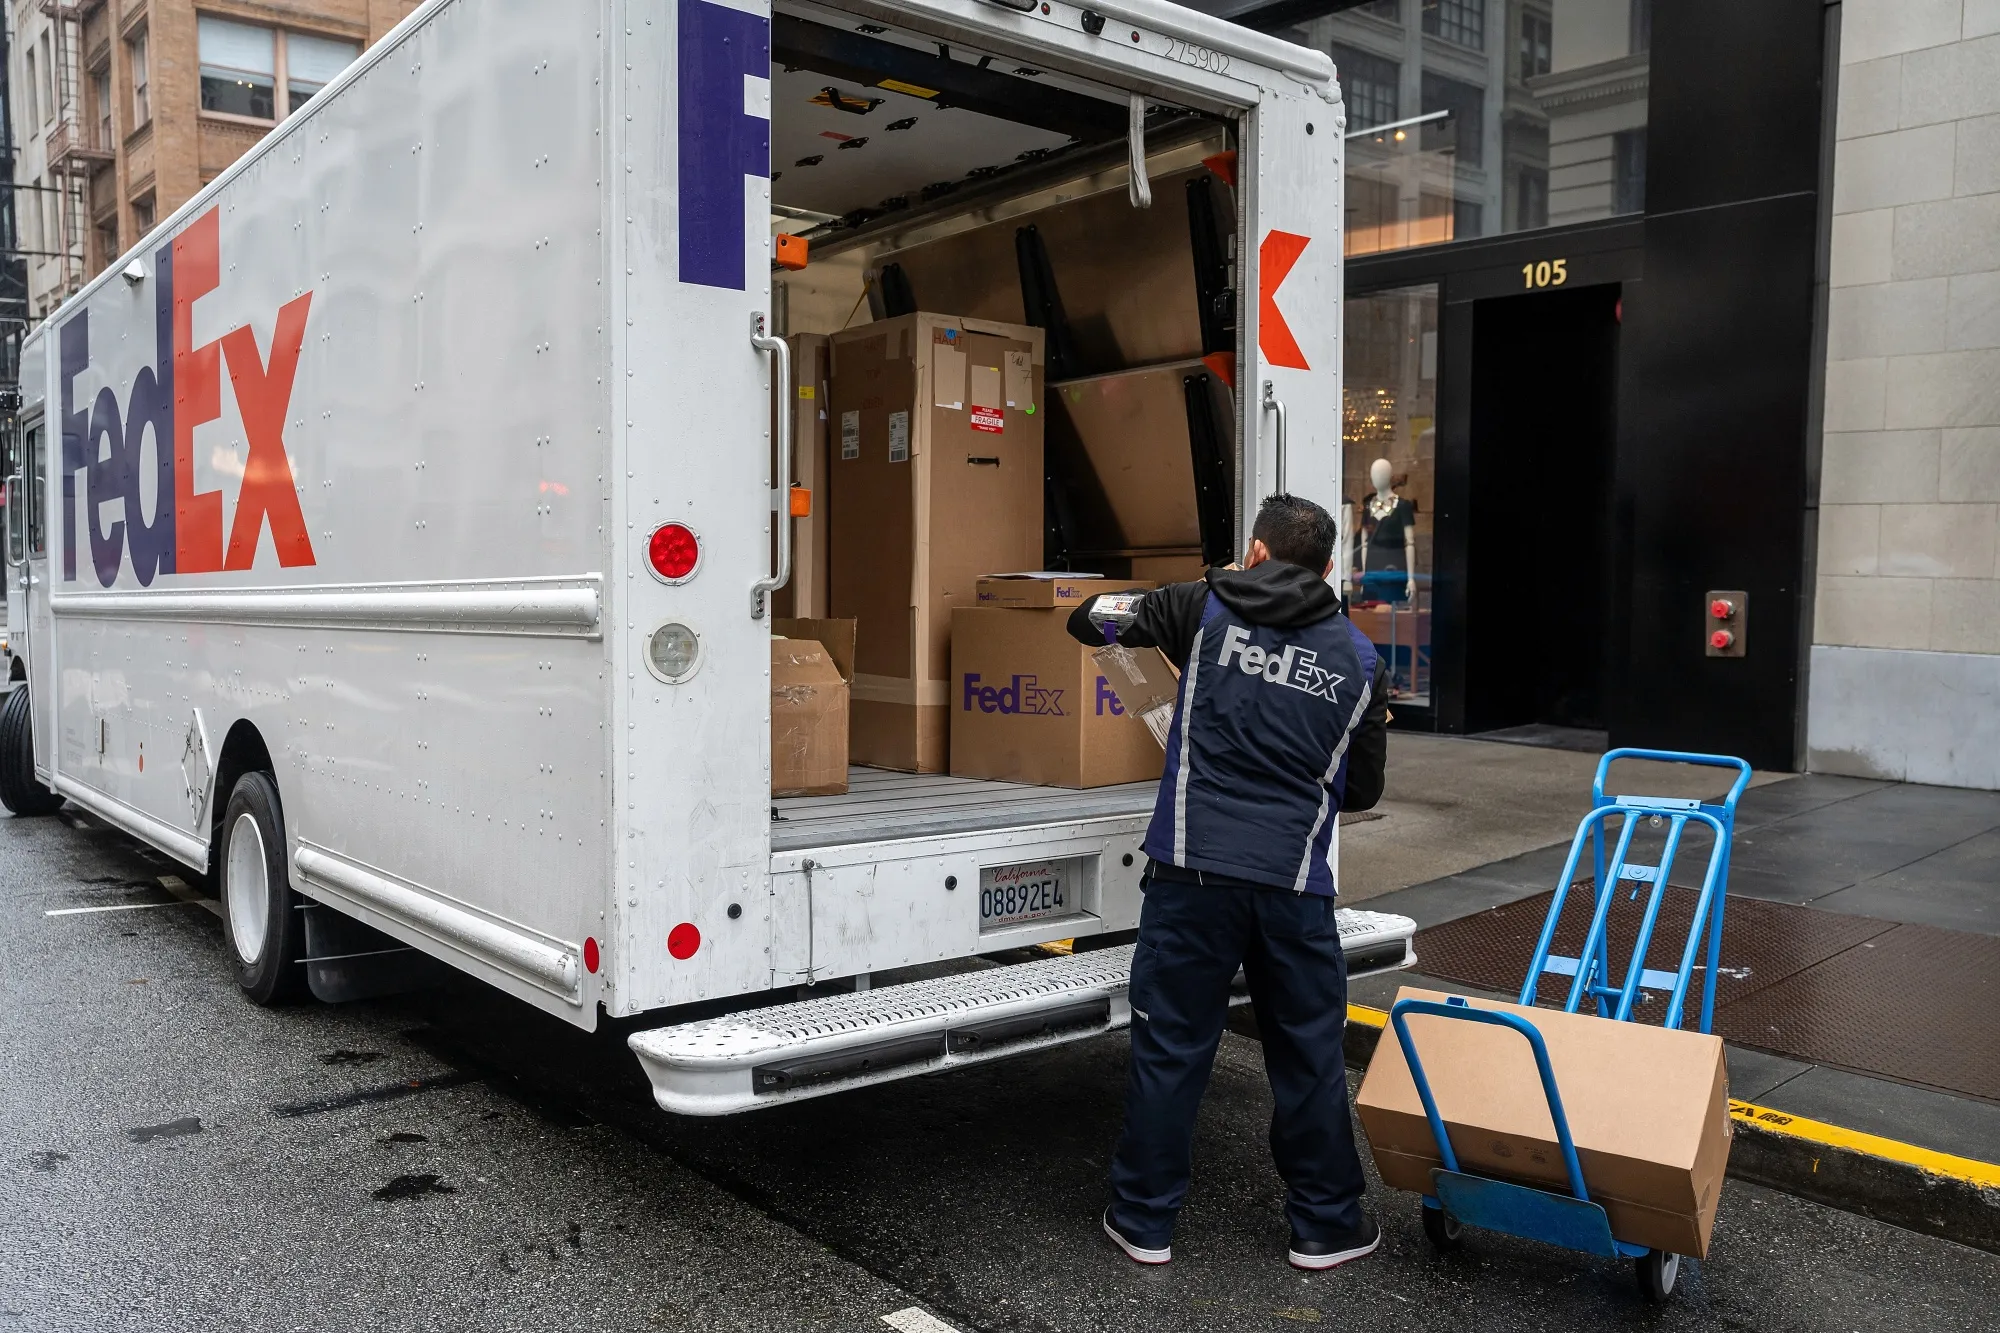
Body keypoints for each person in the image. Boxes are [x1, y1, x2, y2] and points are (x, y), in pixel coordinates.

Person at [1065, 493, 1390, 1272]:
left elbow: (1088, 620)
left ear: (1252, 551)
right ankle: (1325, 1226)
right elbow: (1365, 790)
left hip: (1191, 877)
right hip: (1293, 886)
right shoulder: (1359, 658)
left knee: (1173, 1044)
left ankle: (1144, 1220)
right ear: (1324, 566)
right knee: (1309, 1055)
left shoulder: (1197, 609)